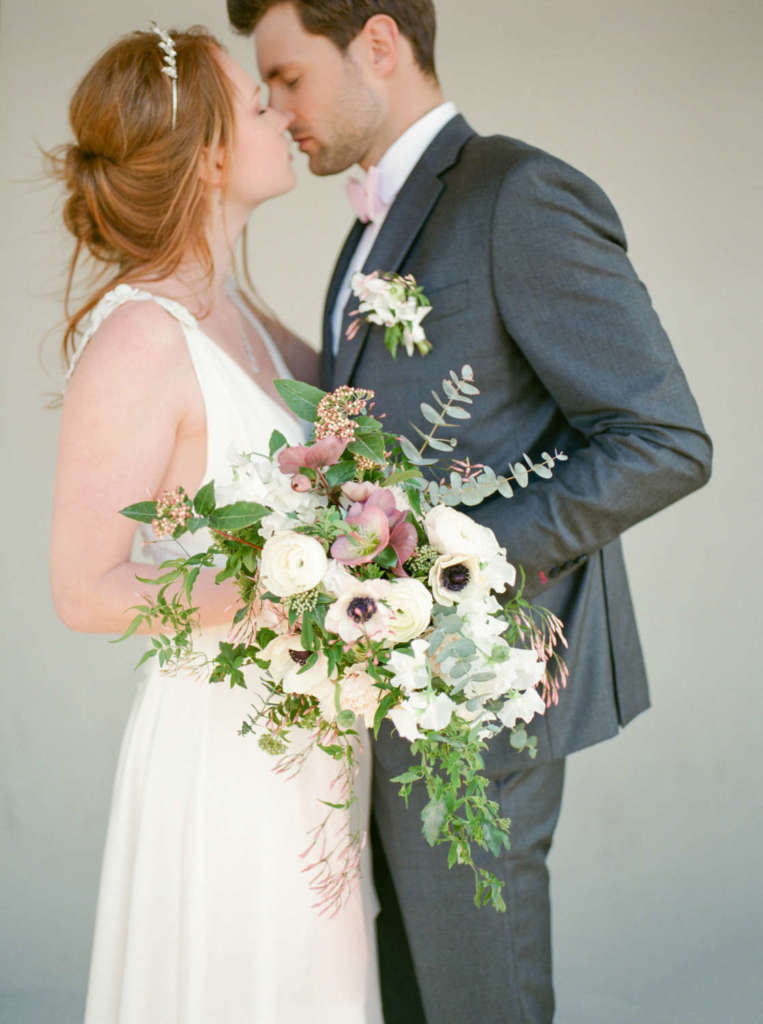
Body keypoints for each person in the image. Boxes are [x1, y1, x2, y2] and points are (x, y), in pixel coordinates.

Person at [228, 2, 714, 1021]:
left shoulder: (516, 193)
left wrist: (451, 565)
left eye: (286, 78)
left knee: (475, 1004)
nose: (276, 109)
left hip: (482, 702)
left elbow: (662, 439)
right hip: (388, 700)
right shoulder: (371, 225)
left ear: (376, 42)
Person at [49, 25, 383, 1023]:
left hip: (307, 739)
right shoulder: (142, 337)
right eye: (255, 101)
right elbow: (83, 588)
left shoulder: (237, 309)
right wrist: (287, 587)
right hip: (226, 749)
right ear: (210, 158)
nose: (282, 112)